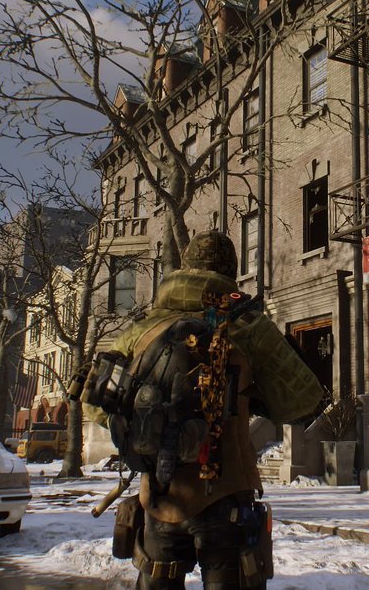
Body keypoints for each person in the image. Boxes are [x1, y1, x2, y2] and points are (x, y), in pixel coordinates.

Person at [87, 231, 323, 590]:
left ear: (185, 267)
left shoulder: (144, 326)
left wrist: (145, 426)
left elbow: (96, 404)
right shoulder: (247, 325)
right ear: (231, 272)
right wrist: (250, 399)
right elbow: (304, 401)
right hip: (227, 496)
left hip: (160, 500)